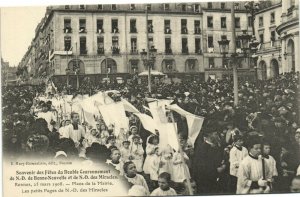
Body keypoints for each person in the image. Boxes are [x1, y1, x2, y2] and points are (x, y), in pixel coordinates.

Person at [192, 128, 225, 194]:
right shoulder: (202, 148)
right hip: (205, 179)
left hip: (212, 177)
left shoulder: (214, 146)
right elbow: (202, 165)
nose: (217, 136)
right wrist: (216, 170)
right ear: (209, 136)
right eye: (215, 134)